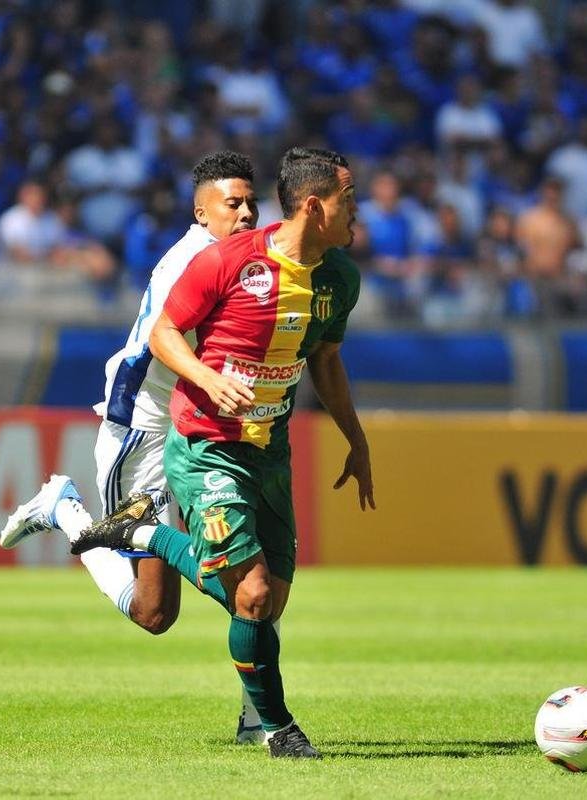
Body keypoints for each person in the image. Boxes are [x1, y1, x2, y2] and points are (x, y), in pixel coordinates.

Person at [69, 147, 375, 758]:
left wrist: (356, 438)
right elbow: (162, 334)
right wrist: (209, 380)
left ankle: (152, 537)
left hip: (270, 450)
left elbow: (327, 361)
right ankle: (276, 728)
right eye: (349, 201)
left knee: (266, 602)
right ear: (315, 207)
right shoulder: (225, 262)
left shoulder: (339, 278)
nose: (358, 215)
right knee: (251, 593)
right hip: (202, 444)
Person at [0, 151, 268, 741]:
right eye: (233, 203)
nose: (246, 213)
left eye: (251, 201)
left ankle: (257, 717)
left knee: (252, 577)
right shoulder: (188, 260)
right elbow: (148, 349)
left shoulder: (248, 255)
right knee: (155, 613)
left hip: (202, 430)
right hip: (145, 431)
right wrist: (131, 425)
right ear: (201, 211)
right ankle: (63, 510)